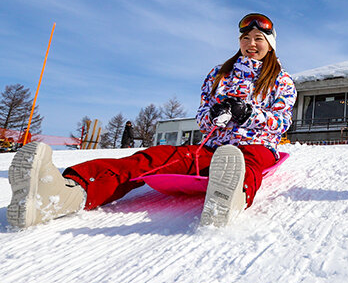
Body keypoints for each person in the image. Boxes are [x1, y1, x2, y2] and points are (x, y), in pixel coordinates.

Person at [8, 13, 296, 229]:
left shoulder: (280, 80)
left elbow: (282, 122)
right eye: (246, 38)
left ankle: (229, 199)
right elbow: (201, 116)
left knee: (246, 162)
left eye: (258, 39)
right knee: (151, 158)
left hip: (255, 145)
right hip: (211, 148)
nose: (251, 44)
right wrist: (211, 116)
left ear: (269, 44)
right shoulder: (219, 74)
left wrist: (250, 113)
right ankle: (65, 192)